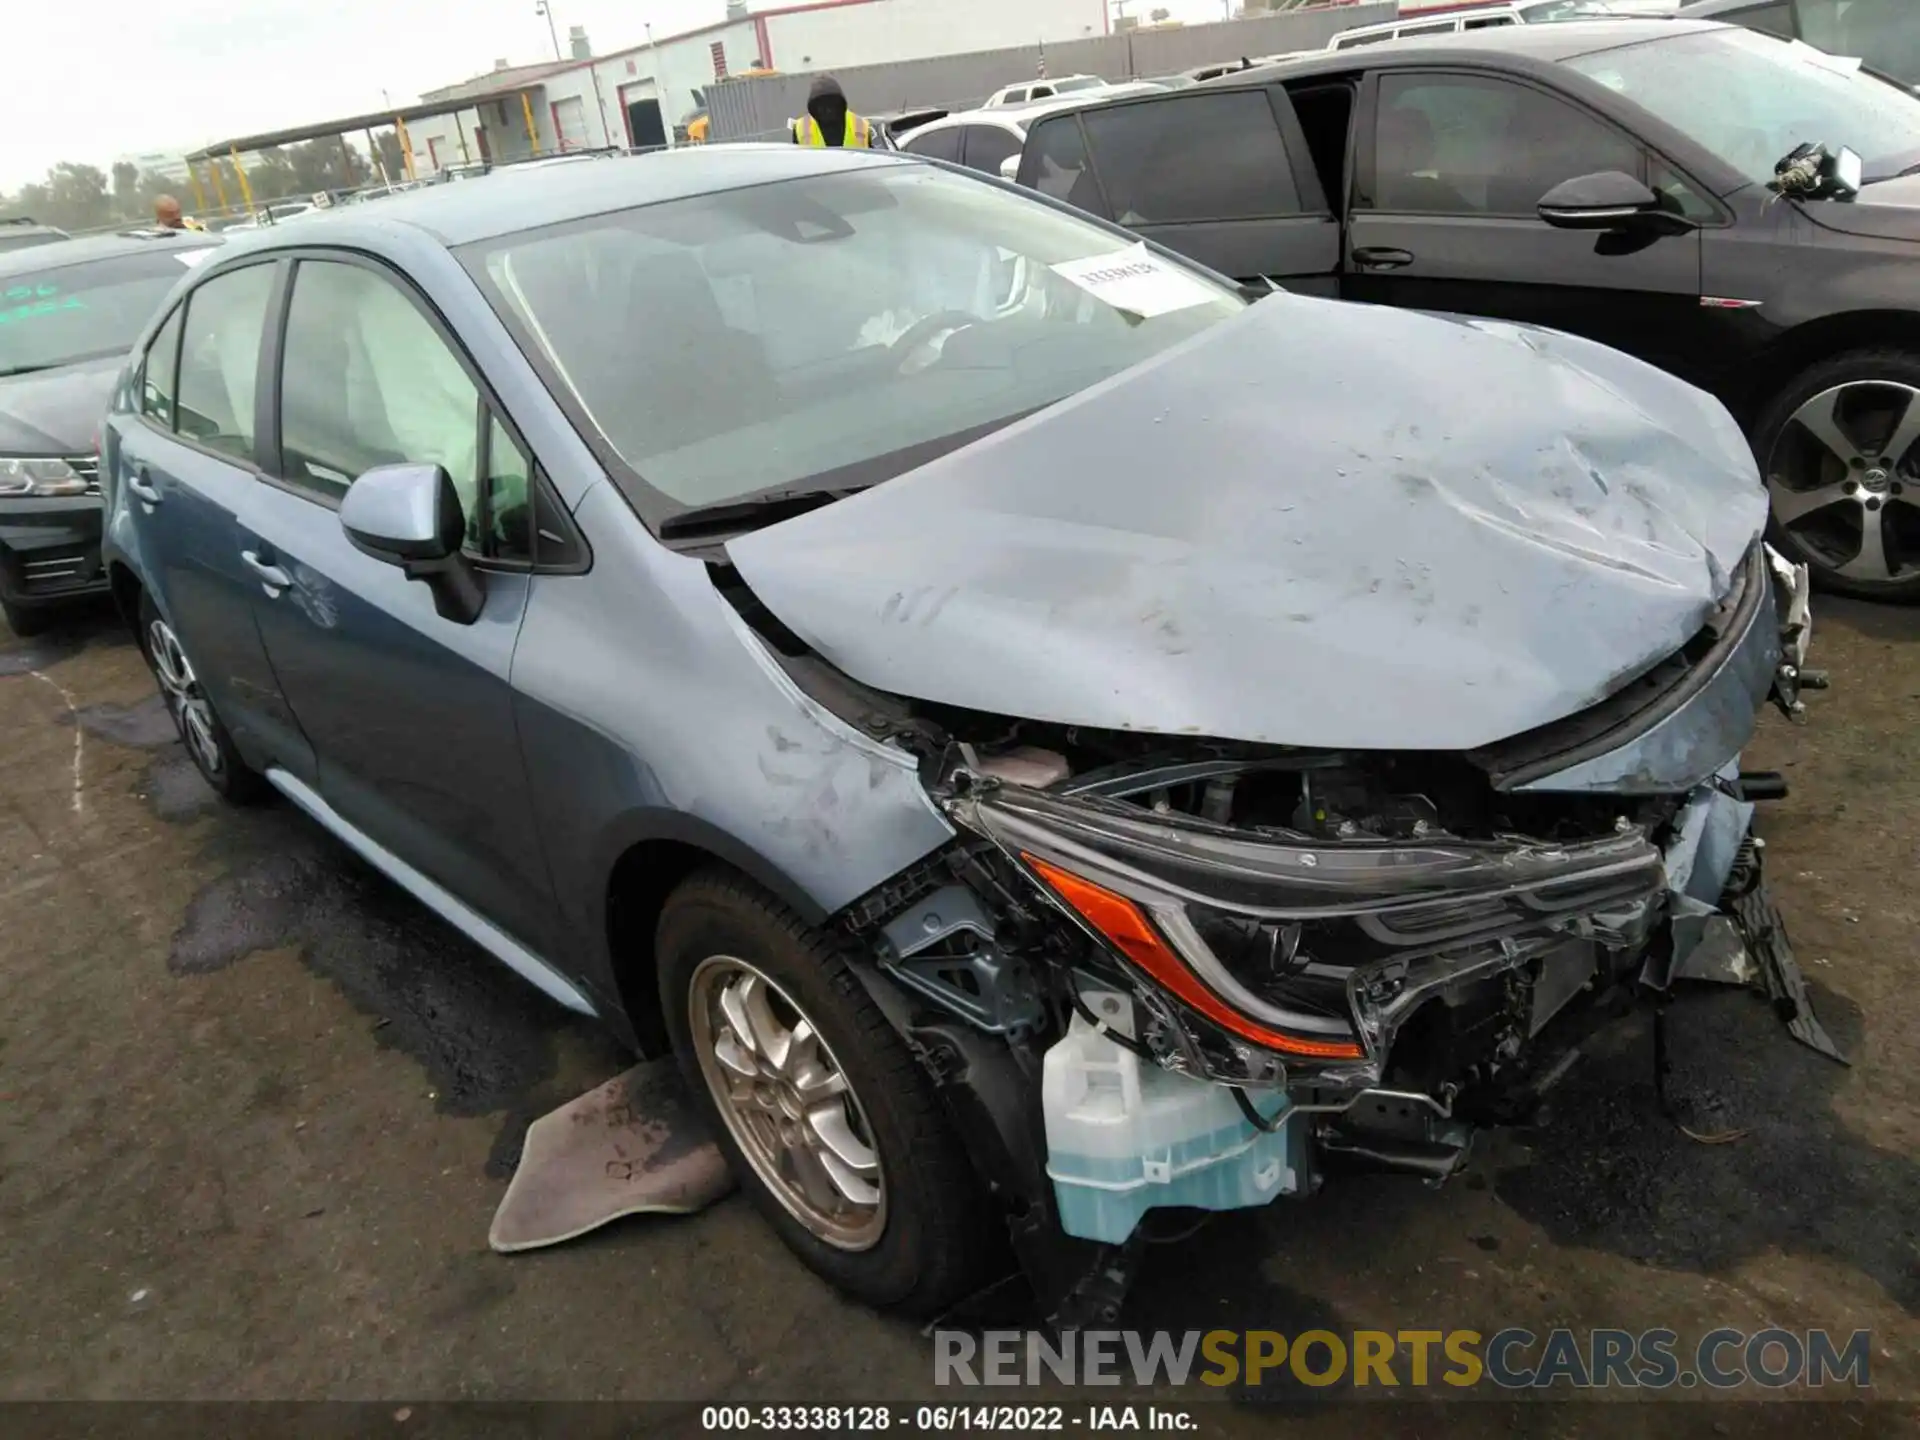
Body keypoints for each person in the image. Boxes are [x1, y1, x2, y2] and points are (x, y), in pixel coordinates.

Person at [790, 76, 873, 148]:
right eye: (822, 105)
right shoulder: (801, 128)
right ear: (814, 106)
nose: (828, 110)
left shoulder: (861, 125)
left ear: (840, 103)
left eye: (832, 103)